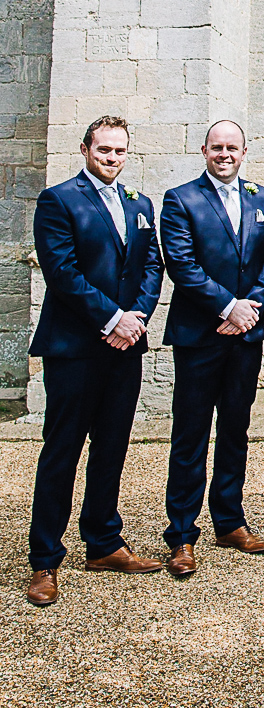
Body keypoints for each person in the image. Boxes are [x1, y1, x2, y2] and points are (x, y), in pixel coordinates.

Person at [26, 116, 165, 606]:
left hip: (126, 346)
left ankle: (104, 542)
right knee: (62, 450)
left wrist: (138, 316)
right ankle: (44, 559)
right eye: (103, 149)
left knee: (111, 447)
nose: (111, 158)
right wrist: (111, 319)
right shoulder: (59, 200)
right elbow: (61, 271)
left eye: (119, 151)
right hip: (76, 349)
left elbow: (152, 265)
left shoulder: (139, 204)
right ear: (85, 149)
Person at [159, 119, 264, 578]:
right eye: (217, 147)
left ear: (245, 151)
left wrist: (251, 306)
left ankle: (229, 521)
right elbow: (182, 264)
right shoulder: (181, 199)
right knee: (190, 433)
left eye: (232, 147)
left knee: (236, 427)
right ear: (204, 150)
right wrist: (227, 307)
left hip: (247, 332)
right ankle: (182, 534)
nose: (225, 154)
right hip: (200, 334)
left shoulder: (263, 198)